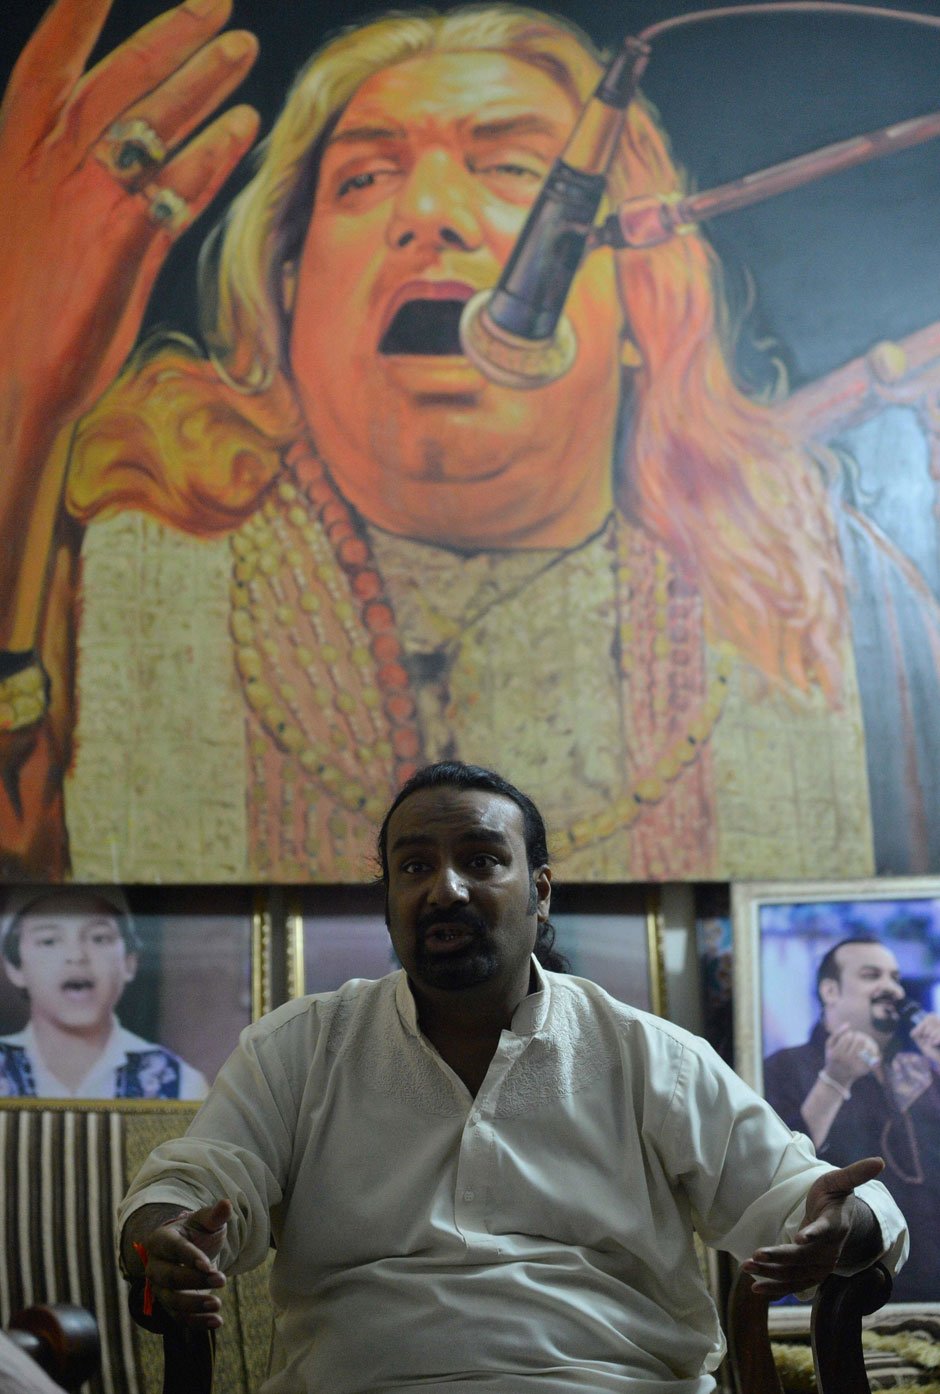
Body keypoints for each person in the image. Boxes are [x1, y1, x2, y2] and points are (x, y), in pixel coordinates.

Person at [2, 0, 939, 886]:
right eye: (364, 180)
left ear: (636, 305)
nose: (431, 214)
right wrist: (13, 401)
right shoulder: (101, 574)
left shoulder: (848, 608)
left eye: (514, 171)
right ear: (289, 296)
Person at [118, 762, 907, 1393]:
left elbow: (807, 1195)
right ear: (389, 899)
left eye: (482, 861)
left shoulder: (646, 1054)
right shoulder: (298, 1048)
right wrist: (164, 1233)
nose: (446, 888)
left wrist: (842, 1227)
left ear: (540, 890)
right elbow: (193, 1183)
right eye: (415, 866)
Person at [764, 937, 940, 1303]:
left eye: (894, 976)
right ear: (830, 990)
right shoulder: (788, 1066)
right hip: (850, 1282)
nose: (891, 987)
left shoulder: (922, 1066)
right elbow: (776, 1166)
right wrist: (834, 1081)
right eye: (871, 975)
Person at [0, 887, 208, 1100]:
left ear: (129, 962)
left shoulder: (183, 1085)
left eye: (99, 938)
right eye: (49, 941)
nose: (77, 955)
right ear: (15, 967)